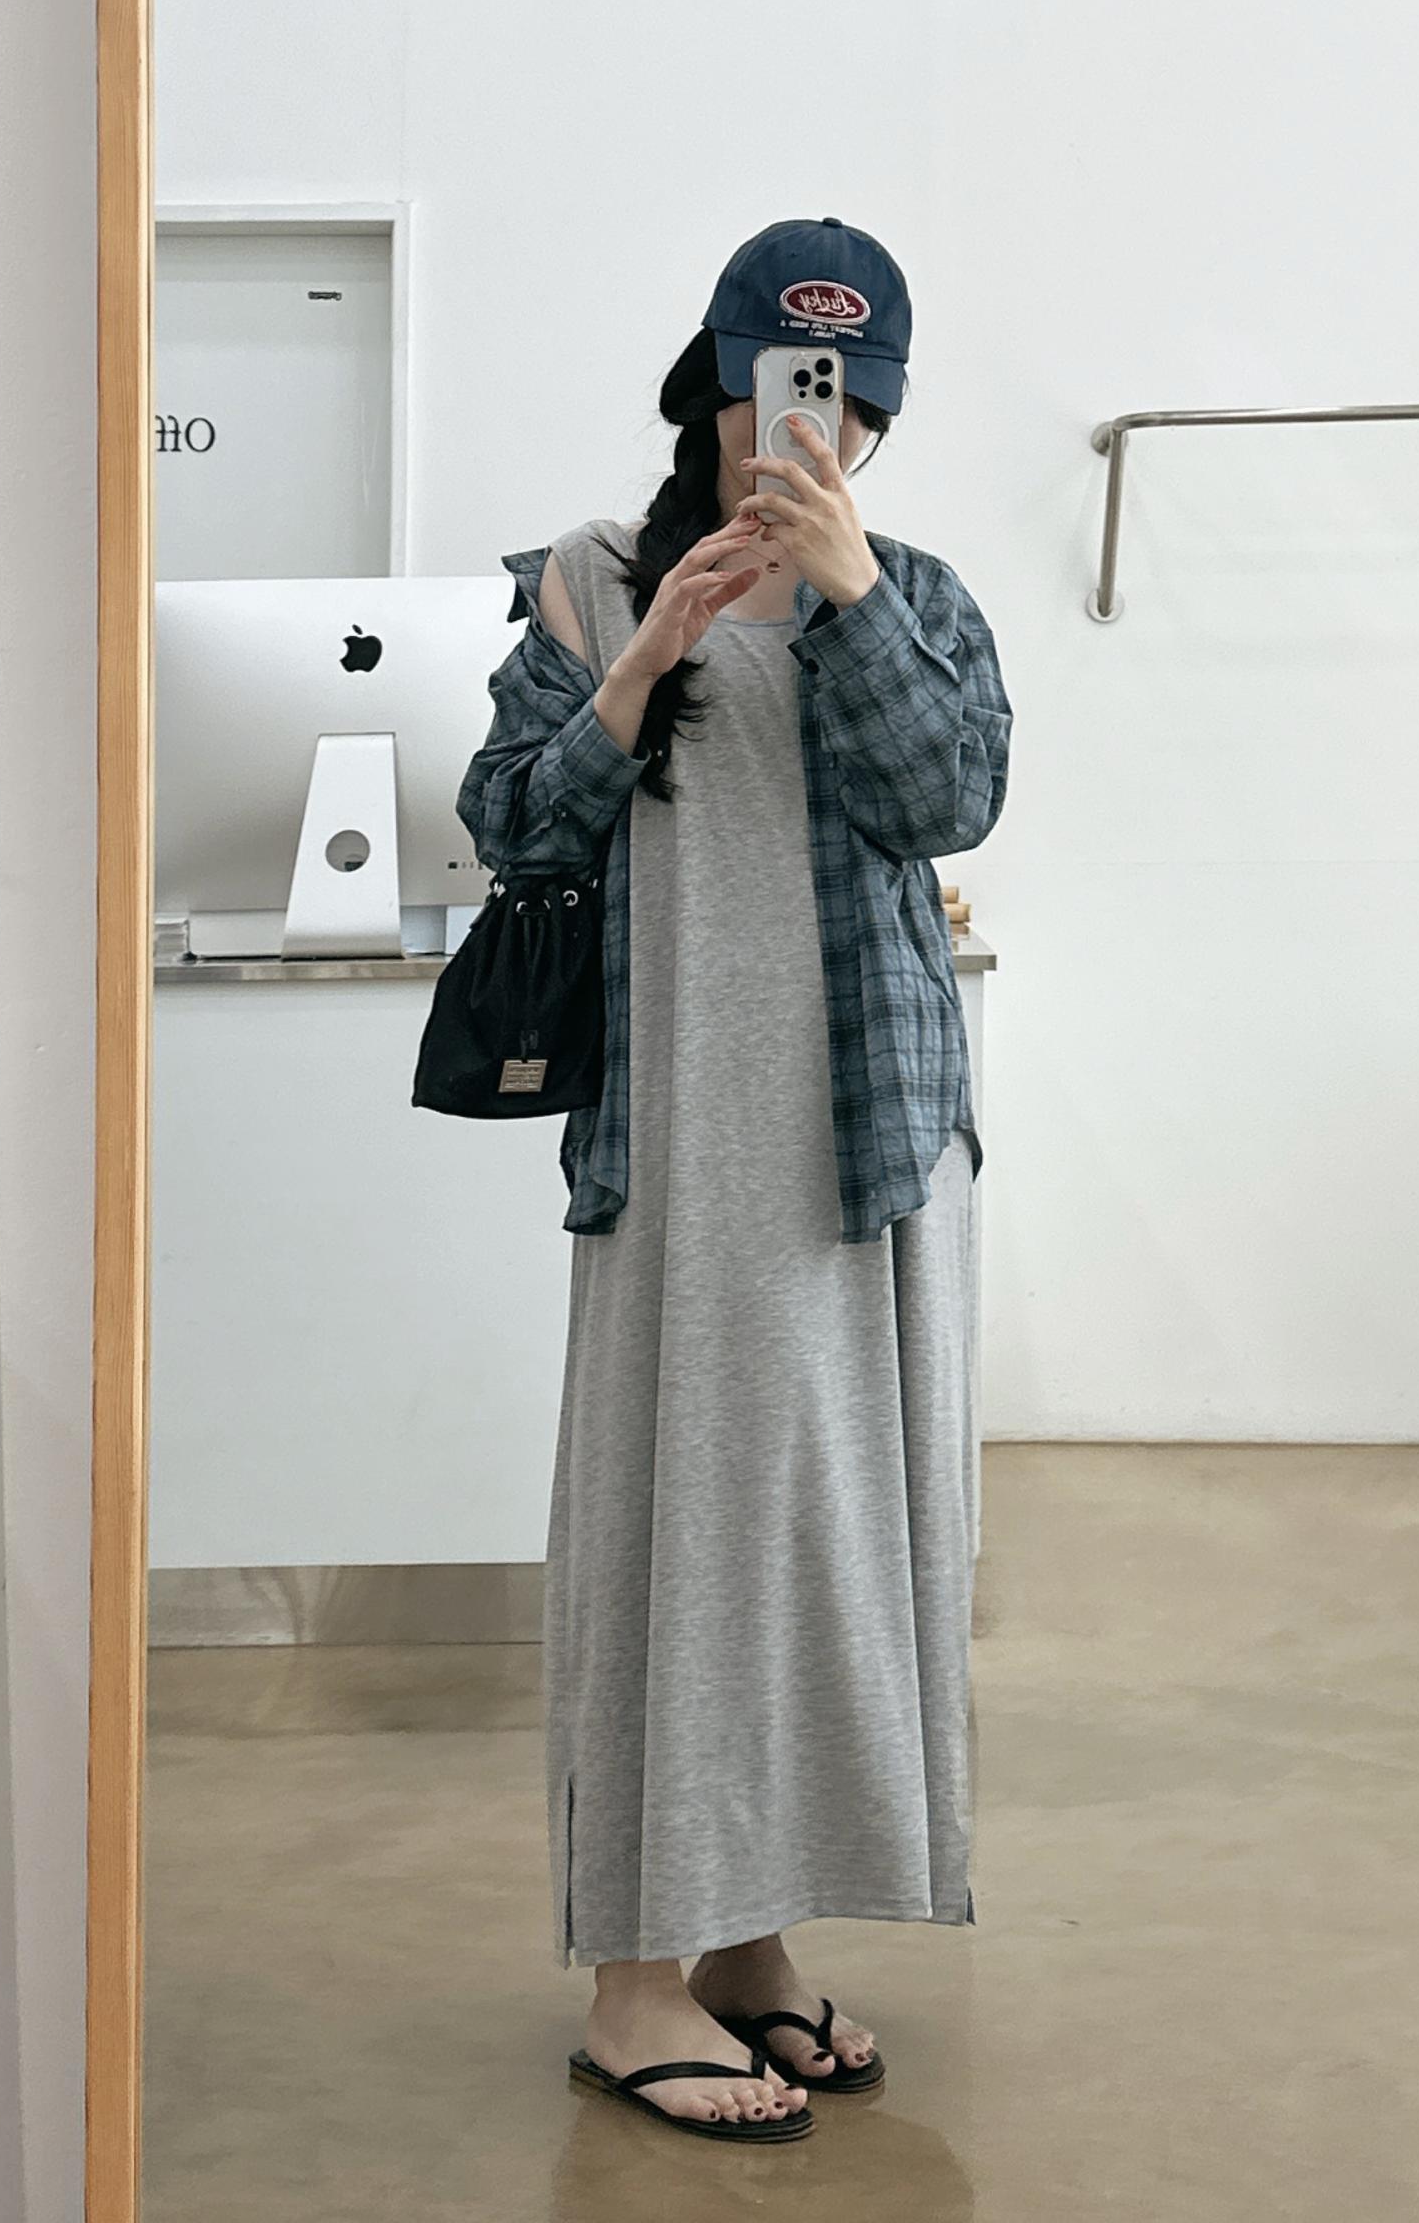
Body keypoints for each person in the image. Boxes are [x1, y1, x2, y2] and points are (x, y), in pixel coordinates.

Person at [455, 218, 1013, 2145]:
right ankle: (633, 1980)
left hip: (870, 1148)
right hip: (680, 1145)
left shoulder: (915, 594)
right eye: (784, 385)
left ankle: (746, 1942)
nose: (811, 429)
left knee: (825, 1546)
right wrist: (646, 660)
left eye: (850, 404)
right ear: (714, 381)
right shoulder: (592, 578)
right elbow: (516, 828)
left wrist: (846, 595)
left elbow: (948, 803)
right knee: (669, 1541)